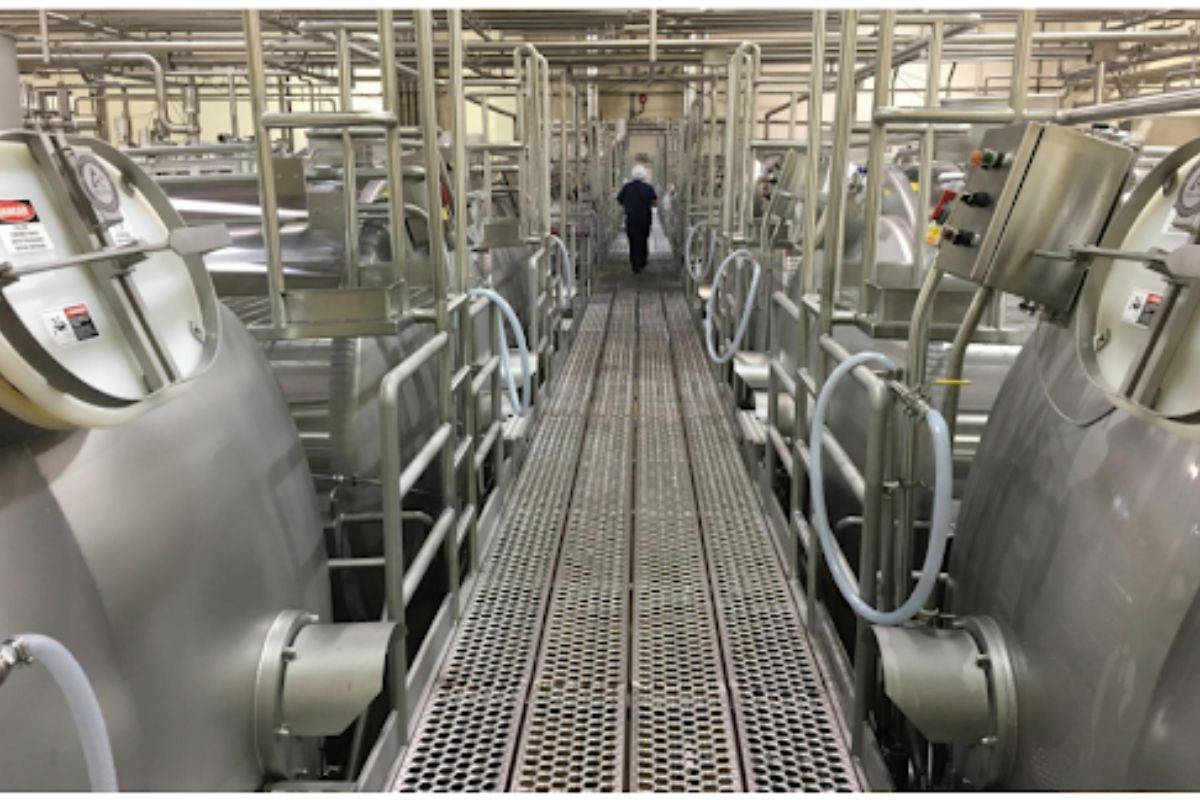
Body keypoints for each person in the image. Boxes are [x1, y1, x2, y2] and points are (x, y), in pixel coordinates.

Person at [617, 164, 657, 273]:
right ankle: (643, 260)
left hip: (631, 218)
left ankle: (634, 263)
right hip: (644, 218)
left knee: (632, 240)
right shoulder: (648, 188)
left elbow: (620, 200)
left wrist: (629, 204)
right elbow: (654, 202)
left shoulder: (627, 187)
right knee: (643, 239)